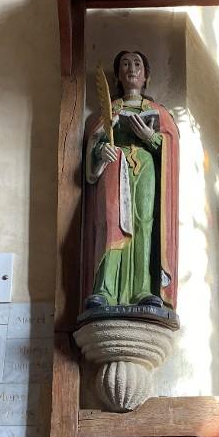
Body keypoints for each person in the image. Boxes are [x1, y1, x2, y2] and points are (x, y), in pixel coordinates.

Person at [83, 51, 179, 310]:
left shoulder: (158, 112)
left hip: (146, 168)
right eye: (125, 64)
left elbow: (171, 149)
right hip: (115, 165)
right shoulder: (108, 110)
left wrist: (151, 137)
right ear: (118, 75)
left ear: (146, 74)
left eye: (137, 64)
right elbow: (93, 150)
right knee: (111, 220)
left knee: (143, 223)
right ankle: (104, 290)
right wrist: (101, 151)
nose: (131, 69)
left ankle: (143, 290)